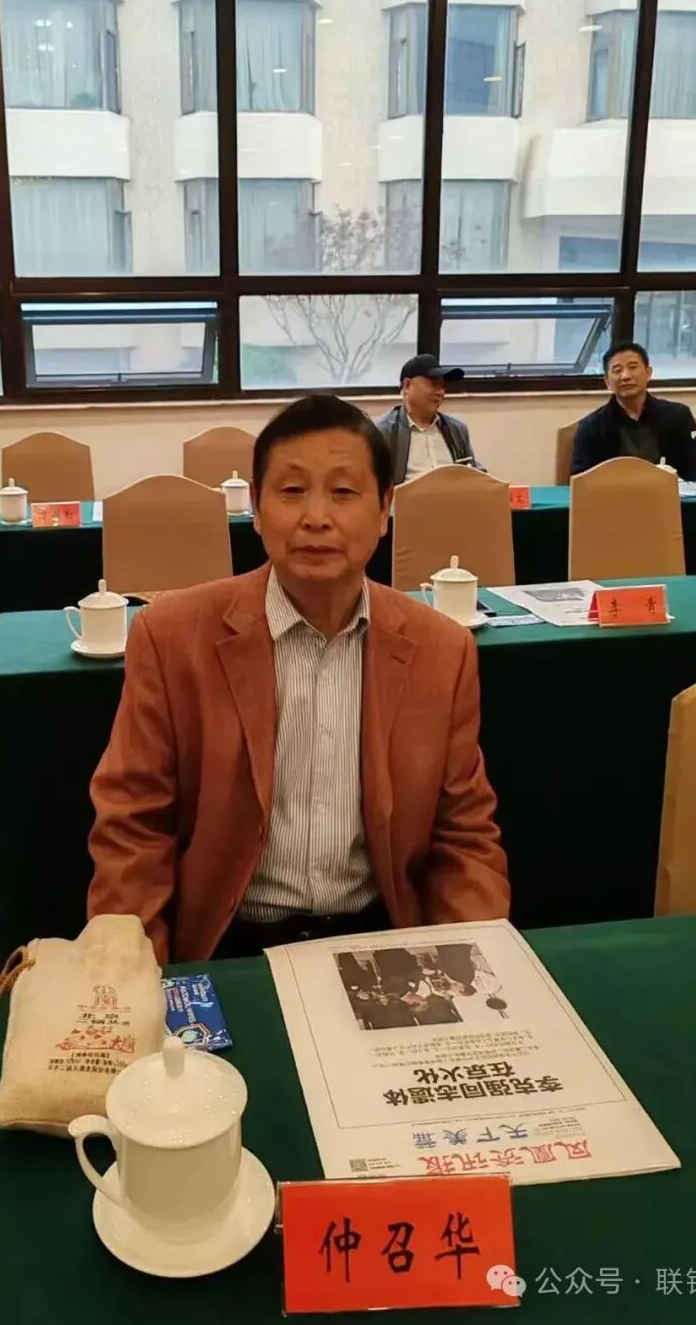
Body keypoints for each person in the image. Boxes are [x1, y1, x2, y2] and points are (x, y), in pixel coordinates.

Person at [87, 393, 509, 964]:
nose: (316, 517)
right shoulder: (172, 637)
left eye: (344, 492)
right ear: (256, 508)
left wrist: (475, 963)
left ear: (385, 510)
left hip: (380, 937)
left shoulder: (442, 649)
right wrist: (138, 972)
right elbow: (133, 825)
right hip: (229, 940)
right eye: (291, 491)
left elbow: (463, 836)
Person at [570, 341, 696, 480]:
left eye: (632, 367)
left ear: (648, 373)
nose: (625, 376)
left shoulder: (678, 416)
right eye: (617, 370)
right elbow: (580, 480)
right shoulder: (591, 427)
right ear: (607, 382)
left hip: (671, 492)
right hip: (616, 493)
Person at [375, 354, 482, 484]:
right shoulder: (384, 433)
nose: (441, 392)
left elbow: (472, 473)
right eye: (433, 384)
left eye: (443, 386)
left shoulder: (457, 429)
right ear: (407, 385)